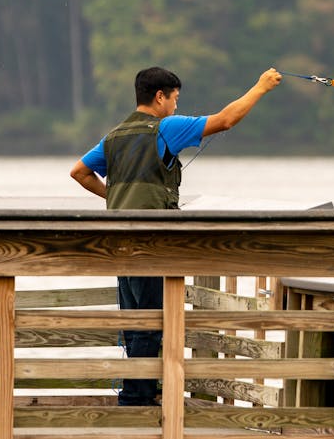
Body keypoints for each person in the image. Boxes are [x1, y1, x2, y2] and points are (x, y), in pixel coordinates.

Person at [70, 64, 282, 405]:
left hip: (118, 243)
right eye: (175, 99)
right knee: (152, 320)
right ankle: (136, 399)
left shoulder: (114, 136)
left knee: (135, 317)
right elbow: (226, 119)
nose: (176, 107)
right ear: (160, 97)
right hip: (152, 244)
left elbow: (80, 172)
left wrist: (116, 197)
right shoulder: (166, 128)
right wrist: (260, 87)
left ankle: (137, 392)